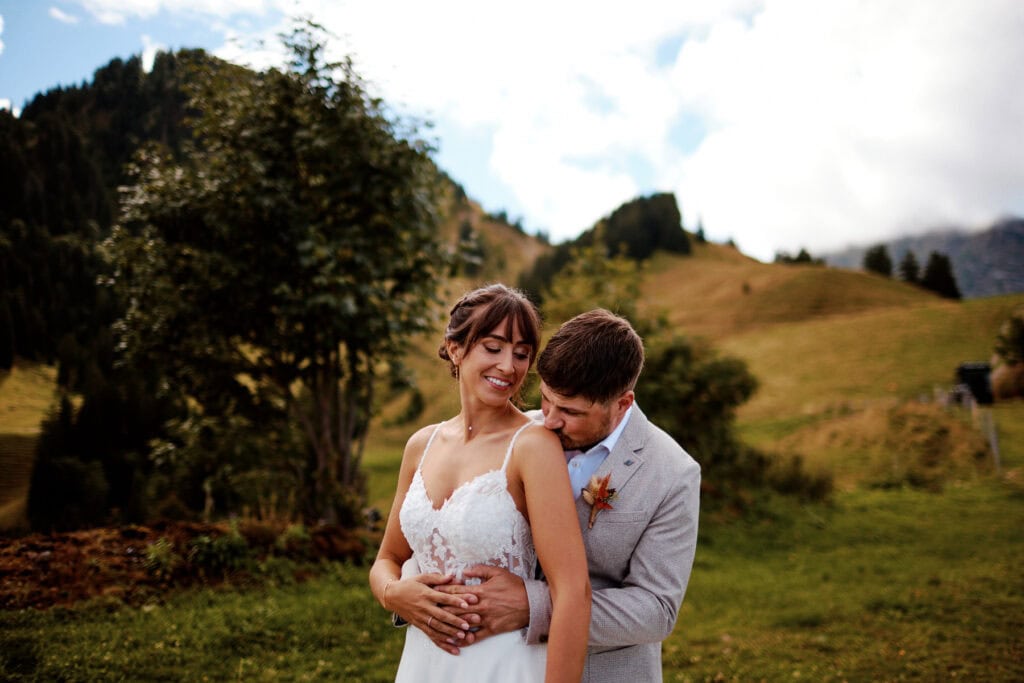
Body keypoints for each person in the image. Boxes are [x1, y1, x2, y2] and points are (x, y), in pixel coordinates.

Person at [426, 308, 701, 682]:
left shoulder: (672, 473)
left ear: (622, 404)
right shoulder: (525, 435)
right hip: (489, 664)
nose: (549, 419)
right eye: (545, 400)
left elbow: (656, 610)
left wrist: (531, 604)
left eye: (570, 411)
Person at [369, 284, 591, 682]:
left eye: (522, 354)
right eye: (494, 348)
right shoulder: (421, 444)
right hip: (423, 664)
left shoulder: (534, 446)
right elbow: (387, 560)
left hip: (503, 664)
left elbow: (573, 590)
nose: (509, 366)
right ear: (455, 348)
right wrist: (393, 593)